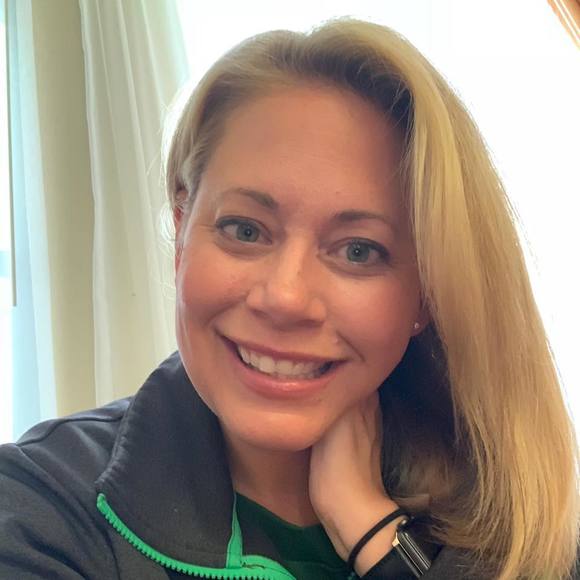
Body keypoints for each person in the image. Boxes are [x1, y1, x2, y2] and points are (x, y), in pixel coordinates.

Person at [0, 17, 578, 580]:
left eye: (358, 250)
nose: (285, 297)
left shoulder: (523, 515)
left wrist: (375, 533)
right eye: (245, 230)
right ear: (181, 232)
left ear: (426, 294)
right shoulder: (39, 506)